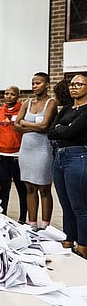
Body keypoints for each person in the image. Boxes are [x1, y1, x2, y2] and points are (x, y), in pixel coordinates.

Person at [48, 73, 87, 257]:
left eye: (79, 84)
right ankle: (67, 241)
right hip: (60, 157)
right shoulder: (66, 109)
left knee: (79, 205)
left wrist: (63, 129)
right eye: (72, 84)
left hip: (77, 156)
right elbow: (51, 132)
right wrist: (64, 129)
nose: (74, 87)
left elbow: (72, 132)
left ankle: (83, 247)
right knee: (65, 204)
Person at [14, 72, 57, 231]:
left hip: (43, 150)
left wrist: (25, 124)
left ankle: (46, 226)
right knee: (29, 188)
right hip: (26, 150)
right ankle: (32, 225)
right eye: (32, 83)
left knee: (44, 188)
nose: (34, 86)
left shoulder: (51, 102)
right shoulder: (27, 103)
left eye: (38, 83)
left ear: (46, 84)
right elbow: (16, 126)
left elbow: (45, 126)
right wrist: (31, 127)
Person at [0, 86, 27, 223]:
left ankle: (23, 218)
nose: (9, 96)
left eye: (12, 94)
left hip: (18, 154)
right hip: (2, 153)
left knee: (21, 188)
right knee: (4, 187)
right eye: (6, 93)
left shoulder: (23, 110)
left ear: (18, 96)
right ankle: (2, 215)